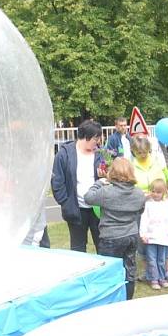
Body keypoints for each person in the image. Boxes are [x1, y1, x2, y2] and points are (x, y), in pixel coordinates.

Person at [84, 158, 146, 299]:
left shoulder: (106, 192)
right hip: (131, 234)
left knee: (110, 271)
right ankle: (127, 299)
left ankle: (111, 300)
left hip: (111, 236)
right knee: (129, 270)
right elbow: (140, 211)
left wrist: (98, 183)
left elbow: (88, 198)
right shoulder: (139, 193)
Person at [130, 135, 168, 285]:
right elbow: (130, 185)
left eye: (145, 152)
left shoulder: (157, 161)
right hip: (143, 207)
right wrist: (142, 194)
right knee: (146, 241)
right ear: (133, 151)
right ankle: (151, 272)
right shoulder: (131, 165)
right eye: (139, 153)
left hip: (162, 204)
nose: (142, 155)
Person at [51, 120, 103, 252]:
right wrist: (66, 203)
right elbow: (57, 182)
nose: (98, 142)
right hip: (76, 209)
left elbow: (111, 177)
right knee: (78, 249)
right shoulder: (64, 154)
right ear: (87, 137)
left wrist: (105, 176)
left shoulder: (101, 154)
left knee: (103, 246)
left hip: (98, 209)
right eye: (96, 139)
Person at [139, 179, 168, 291]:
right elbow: (144, 220)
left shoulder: (167, 205)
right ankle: (154, 279)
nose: (155, 194)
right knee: (151, 259)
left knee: (161, 259)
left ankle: (162, 278)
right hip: (151, 237)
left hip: (164, 237)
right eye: (153, 191)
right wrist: (143, 234)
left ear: (164, 192)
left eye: (158, 192)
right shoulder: (148, 204)